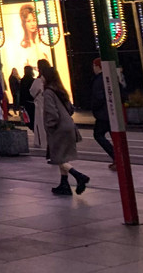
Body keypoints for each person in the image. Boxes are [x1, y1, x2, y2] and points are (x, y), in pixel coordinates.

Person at [41, 66, 90, 196]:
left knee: (58, 158)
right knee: (61, 156)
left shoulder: (48, 93)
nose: (40, 78)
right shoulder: (60, 89)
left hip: (58, 128)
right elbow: (70, 109)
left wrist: (49, 126)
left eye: (42, 76)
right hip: (68, 126)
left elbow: (52, 114)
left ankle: (79, 176)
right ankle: (64, 184)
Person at [89, 59, 115, 168]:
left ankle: (115, 156)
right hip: (112, 112)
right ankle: (118, 157)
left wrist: (94, 107)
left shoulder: (99, 80)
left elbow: (98, 97)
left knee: (98, 134)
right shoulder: (111, 77)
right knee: (114, 134)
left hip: (103, 113)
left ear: (97, 66)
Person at [31, 59, 51, 157]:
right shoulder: (52, 78)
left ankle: (46, 146)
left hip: (41, 106)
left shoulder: (38, 80)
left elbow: (32, 92)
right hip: (52, 106)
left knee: (42, 126)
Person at [19, 65, 36, 132]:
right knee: (34, 118)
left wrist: (21, 104)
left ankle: (32, 128)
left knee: (29, 119)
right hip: (32, 102)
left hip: (26, 102)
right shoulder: (33, 80)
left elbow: (21, 92)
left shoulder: (23, 80)